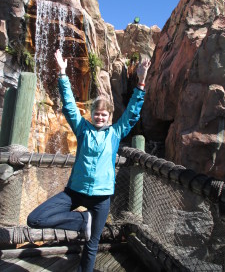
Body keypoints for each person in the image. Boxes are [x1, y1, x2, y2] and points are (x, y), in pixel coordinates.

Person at [27, 49, 151, 272]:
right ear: (92, 114)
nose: (100, 116)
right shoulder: (83, 130)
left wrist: (141, 81)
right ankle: (84, 222)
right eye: (97, 113)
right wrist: (63, 74)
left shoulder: (114, 134)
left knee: (92, 245)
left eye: (104, 114)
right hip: (75, 191)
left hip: (101, 197)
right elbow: (70, 107)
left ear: (110, 117)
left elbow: (132, 113)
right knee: (35, 219)